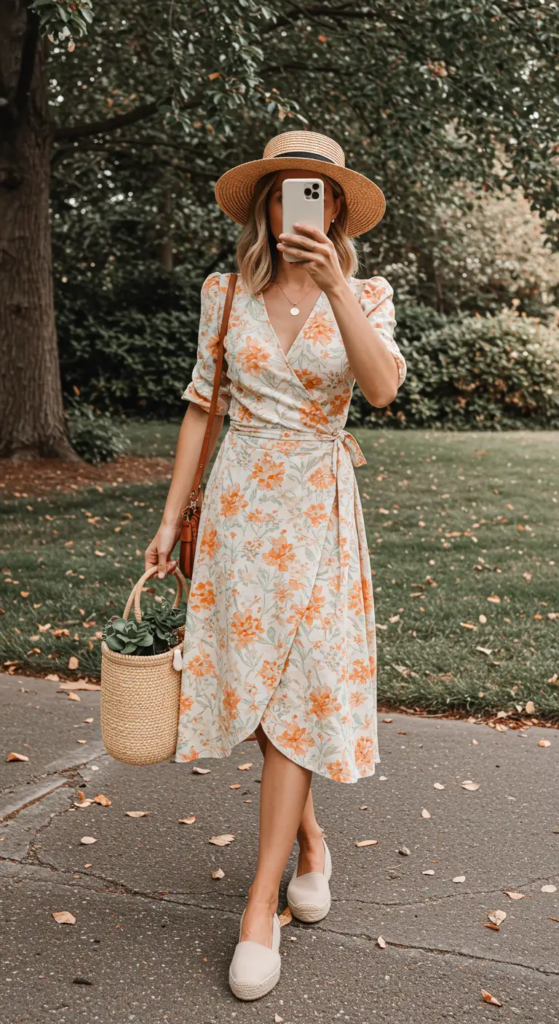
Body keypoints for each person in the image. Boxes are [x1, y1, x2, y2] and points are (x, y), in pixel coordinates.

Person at [145, 130, 407, 1000]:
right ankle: (306, 839)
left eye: (316, 192)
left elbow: (379, 390)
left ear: (334, 208)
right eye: (284, 190)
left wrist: (334, 286)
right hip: (236, 511)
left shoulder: (366, 291)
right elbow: (198, 409)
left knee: (296, 692)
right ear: (265, 204)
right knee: (250, 693)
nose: (300, 205)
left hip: (320, 509)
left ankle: (260, 908)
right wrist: (168, 516)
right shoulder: (225, 293)